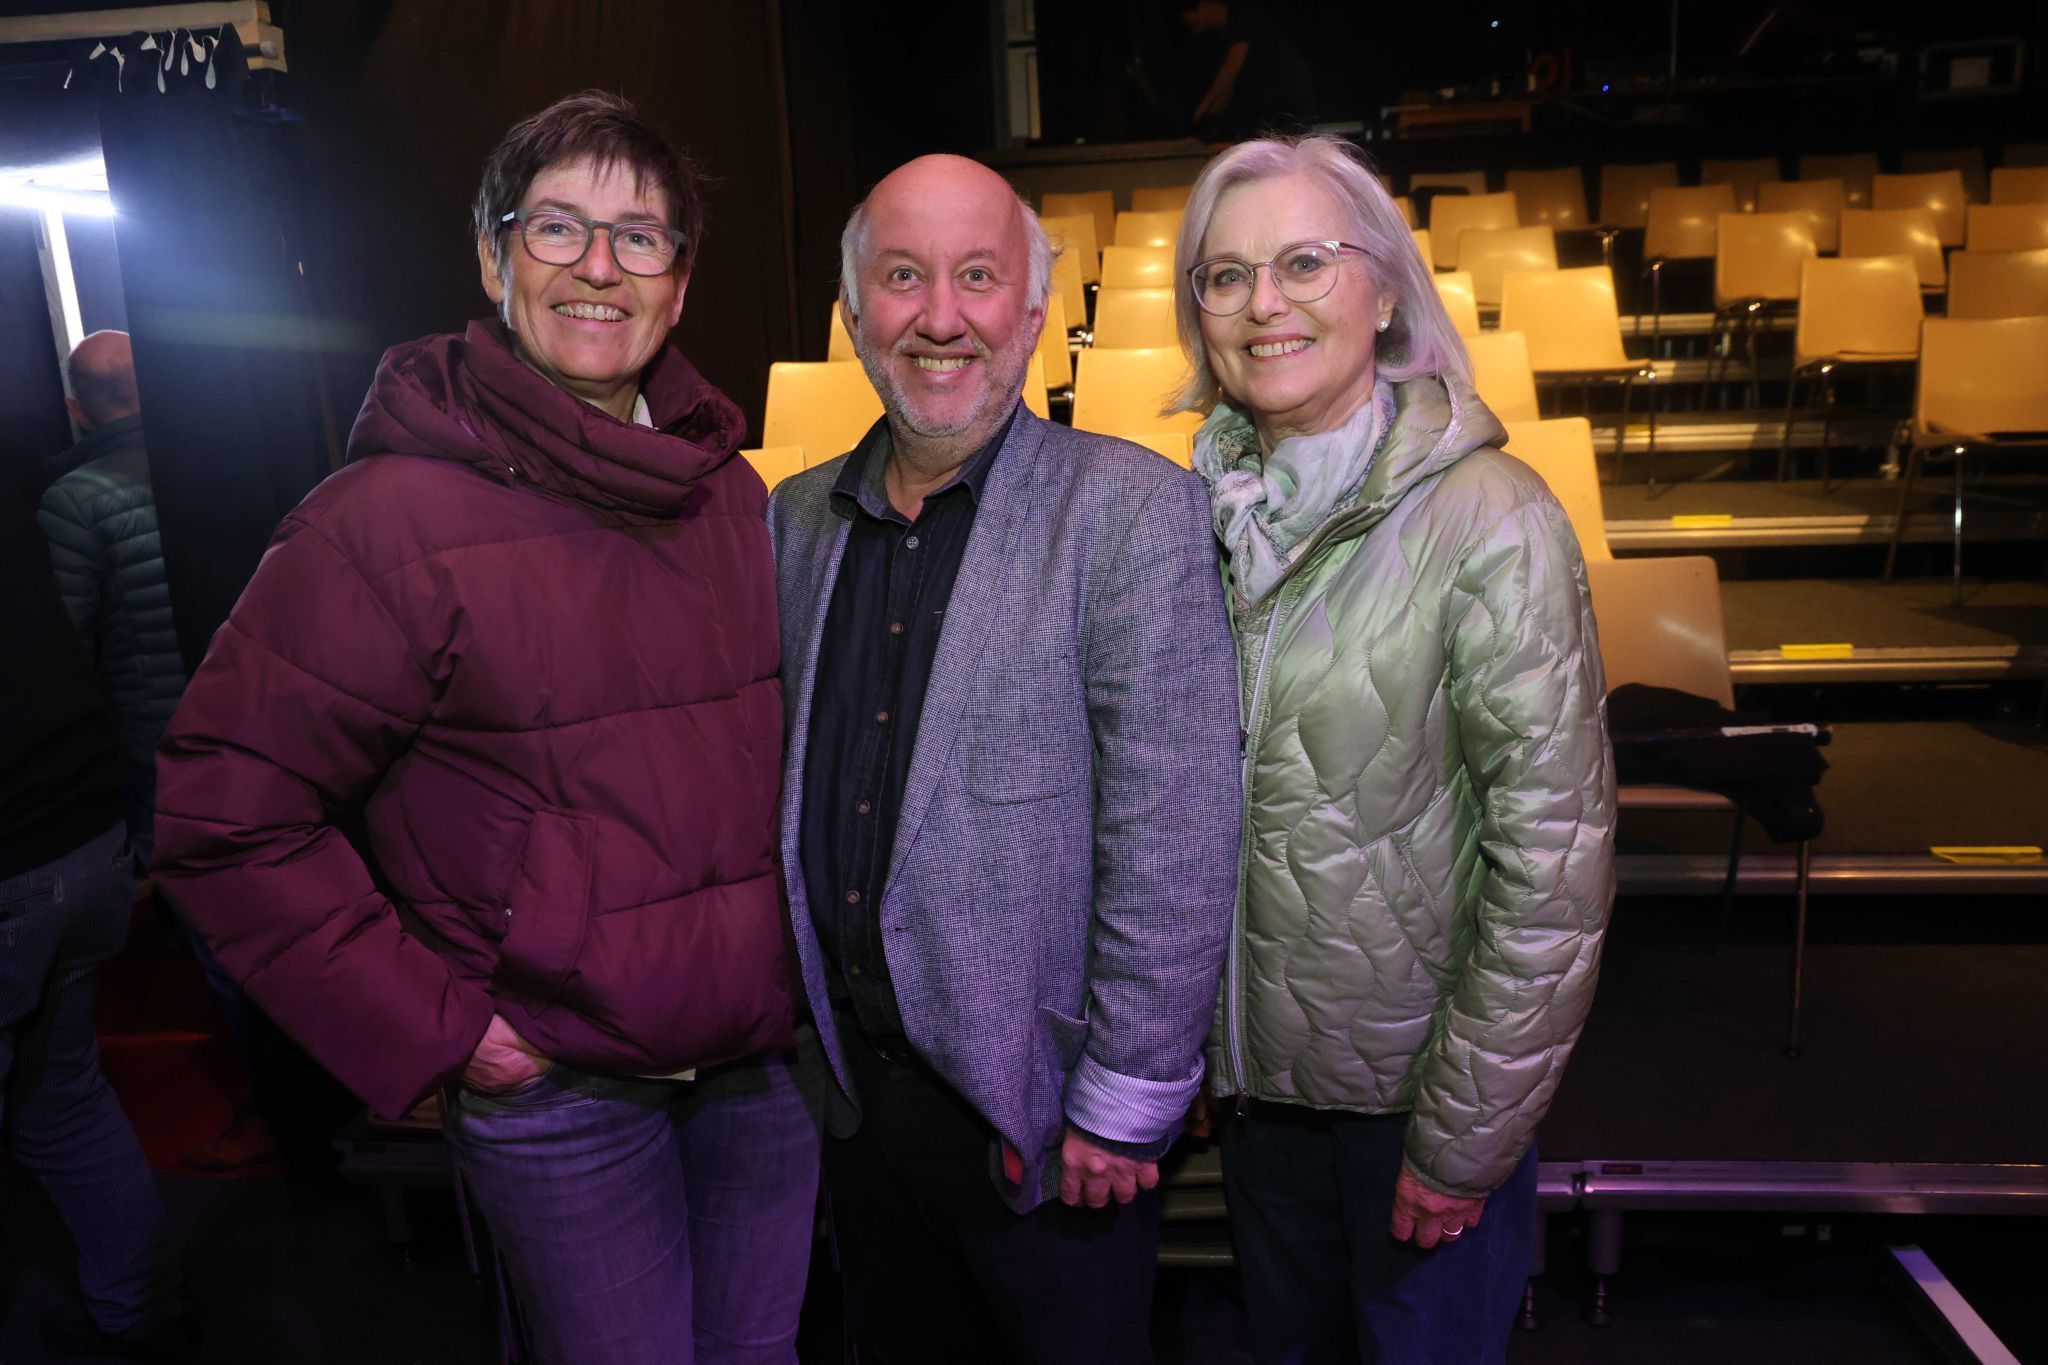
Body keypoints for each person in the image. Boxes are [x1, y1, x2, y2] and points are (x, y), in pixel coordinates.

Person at [152, 91, 816, 1365]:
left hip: (757, 1074)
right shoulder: (381, 524)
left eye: (639, 237)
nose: (598, 268)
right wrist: (448, 1031)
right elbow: (222, 817)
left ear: (679, 284)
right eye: (556, 227)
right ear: (490, 256)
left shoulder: (729, 499)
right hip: (563, 1094)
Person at [767, 153, 1242, 1364]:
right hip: (855, 1107)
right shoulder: (794, 521)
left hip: (1042, 1119)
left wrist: (1125, 1098)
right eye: (902, 278)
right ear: (852, 315)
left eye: (977, 277)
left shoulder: (1128, 512)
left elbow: (1172, 834)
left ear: (1031, 316)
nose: (940, 317)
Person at [1171, 135, 1616, 1363]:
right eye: (1225, 275)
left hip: (1414, 1105)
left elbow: (1553, 870)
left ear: (1381, 292)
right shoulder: (1187, 513)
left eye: (1304, 263)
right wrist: (1187, 1044)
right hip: (1258, 1103)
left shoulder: (1493, 517)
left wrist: (1464, 1136)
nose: (1264, 304)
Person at [3, 460, 194, 1361]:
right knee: (61, 1097)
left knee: (61, 1097)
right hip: (83, 826)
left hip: (16, 852)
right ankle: (141, 1313)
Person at [36, 330, 185, 867]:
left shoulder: (71, 500)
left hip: (155, 734)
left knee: (179, 873)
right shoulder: (216, 461)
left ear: (76, 410)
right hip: (256, 703)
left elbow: (66, 645)